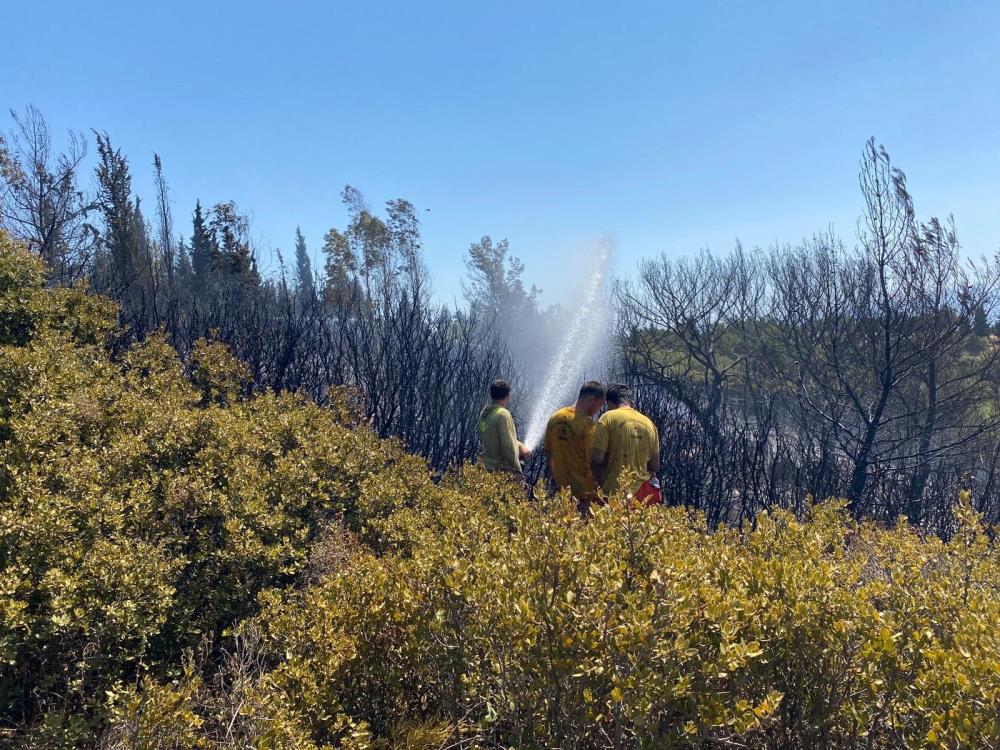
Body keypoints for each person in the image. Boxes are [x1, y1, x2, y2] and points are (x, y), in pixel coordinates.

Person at [590, 384, 660, 497]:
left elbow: (597, 459)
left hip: (615, 494)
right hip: (643, 495)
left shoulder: (607, 418)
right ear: (631, 402)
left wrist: (602, 484)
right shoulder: (649, 424)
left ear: (609, 402)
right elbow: (655, 466)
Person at [544, 381, 606, 508]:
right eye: (599, 406)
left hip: (560, 491)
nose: (597, 411)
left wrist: (556, 478)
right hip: (583, 494)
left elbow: (548, 452)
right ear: (591, 400)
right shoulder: (587, 424)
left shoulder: (555, 417)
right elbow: (593, 461)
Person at [479, 379, 532, 476]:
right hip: (500, 471)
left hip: (486, 468)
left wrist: (521, 446)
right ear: (507, 396)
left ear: (491, 394)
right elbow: (508, 447)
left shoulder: (485, 413)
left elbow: (494, 437)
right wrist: (517, 472)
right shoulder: (503, 415)